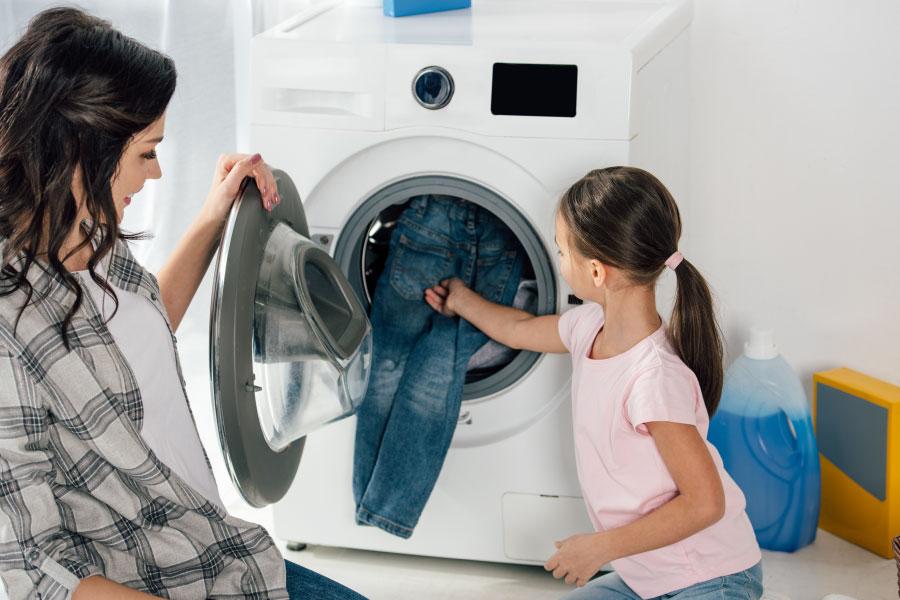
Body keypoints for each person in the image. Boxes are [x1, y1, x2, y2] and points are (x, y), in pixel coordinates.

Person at [0, 8, 367, 600]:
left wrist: (214, 216)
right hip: (144, 577)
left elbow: (123, 351)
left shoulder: (86, 235)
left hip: (208, 545)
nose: (157, 171)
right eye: (146, 153)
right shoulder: (8, 322)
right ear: (78, 151)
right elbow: (31, 569)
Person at [425, 167, 764, 600]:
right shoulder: (588, 328)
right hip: (645, 578)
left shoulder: (654, 378)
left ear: (597, 272)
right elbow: (518, 328)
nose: (559, 261)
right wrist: (460, 299)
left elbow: (706, 503)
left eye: (562, 251)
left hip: (710, 577)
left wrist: (598, 548)